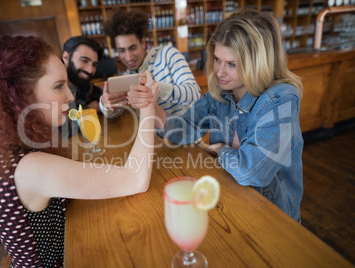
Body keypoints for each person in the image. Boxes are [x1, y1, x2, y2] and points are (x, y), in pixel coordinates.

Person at [0, 36, 158, 267]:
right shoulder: (28, 167)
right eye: (59, 86)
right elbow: (136, 179)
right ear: (20, 93)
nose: (70, 97)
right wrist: (148, 105)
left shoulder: (9, 151)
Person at [128, 9, 304, 222]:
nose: (219, 72)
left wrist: (222, 150)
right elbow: (185, 128)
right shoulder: (222, 93)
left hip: (275, 217)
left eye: (231, 64)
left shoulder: (281, 98)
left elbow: (252, 172)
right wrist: (151, 104)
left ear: (258, 63)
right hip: (235, 199)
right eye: (217, 60)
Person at [99, 8, 201, 119]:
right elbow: (115, 112)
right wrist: (105, 103)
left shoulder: (168, 54)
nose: (129, 57)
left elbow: (194, 93)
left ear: (142, 42)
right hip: (151, 134)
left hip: (181, 131)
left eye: (133, 48)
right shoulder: (126, 77)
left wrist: (156, 88)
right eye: (122, 50)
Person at [61, 36, 104, 137]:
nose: (90, 70)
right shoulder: (51, 88)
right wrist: (88, 110)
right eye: (84, 60)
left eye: (94, 64)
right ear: (66, 57)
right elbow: (62, 132)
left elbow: (104, 97)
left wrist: (102, 103)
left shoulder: (82, 84)